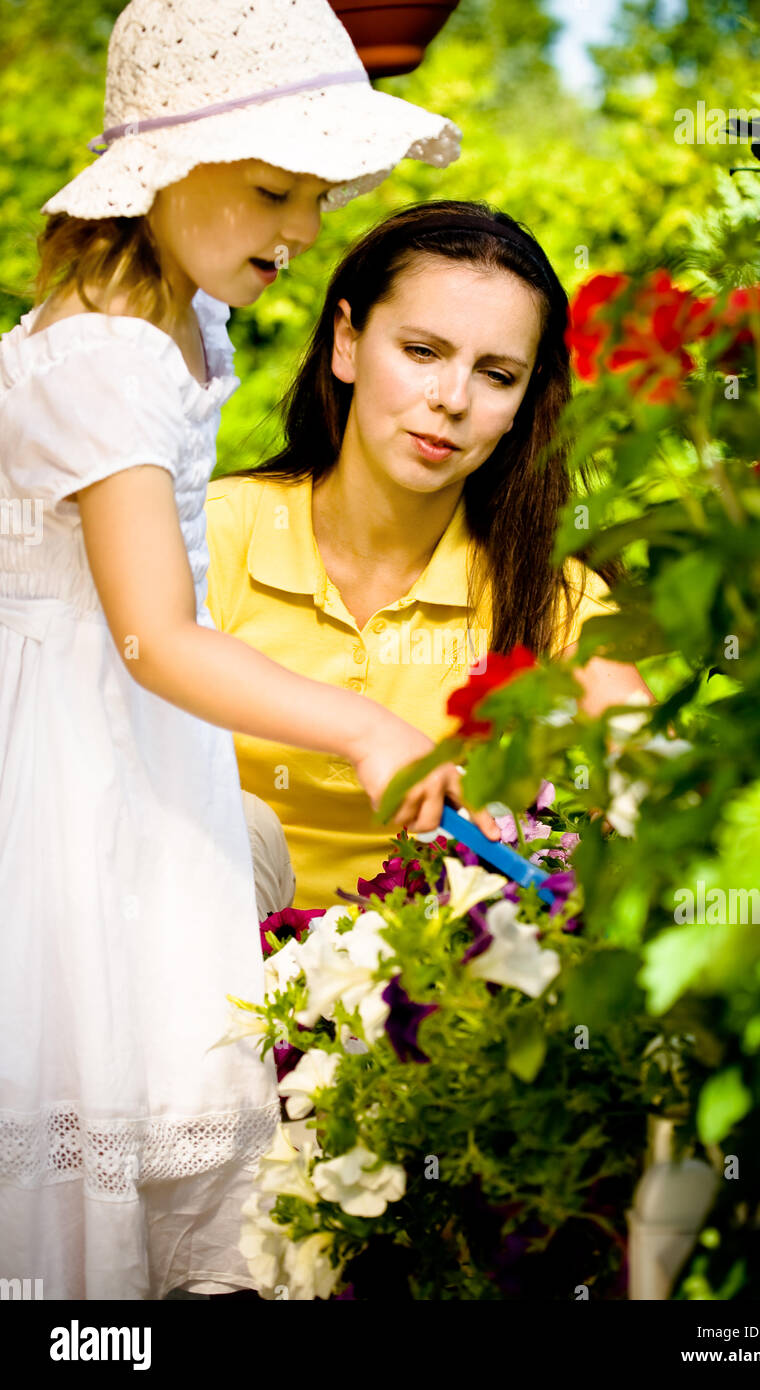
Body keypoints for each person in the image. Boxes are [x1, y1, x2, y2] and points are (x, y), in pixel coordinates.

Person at [0, 0, 488, 1301]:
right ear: (156, 173)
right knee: (97, 1136)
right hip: (71, 803)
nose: (306, 229)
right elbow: (155, 635)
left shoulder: (177, 329)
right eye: (274, 188)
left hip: (131, 774)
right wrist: (360, 721)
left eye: (317, 194)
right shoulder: (101, 354)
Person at [206, 201, 652, 911]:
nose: (451, 399)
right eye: (422, 353)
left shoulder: (548, 595)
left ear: (523, 403)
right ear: (347, 342)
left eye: (497, 375)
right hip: (197, 979)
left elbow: (649, 783)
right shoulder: (215, 535)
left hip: (425, 995)